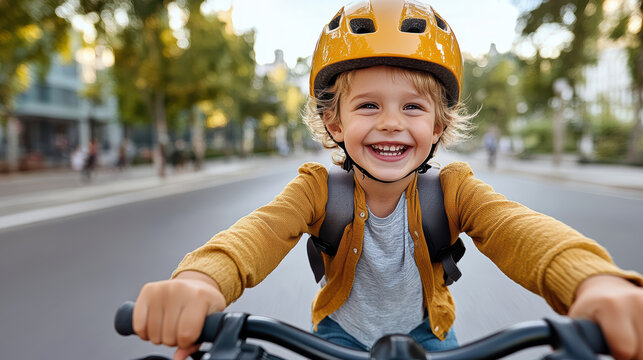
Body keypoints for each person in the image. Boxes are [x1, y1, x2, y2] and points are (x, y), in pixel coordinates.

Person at [132, 1, 643, 360]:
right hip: (336, 338)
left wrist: (592, 280)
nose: (392, 122)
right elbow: (255, 236)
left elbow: (519, 228)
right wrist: (199, 281)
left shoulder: (454, 190)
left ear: (439, 126)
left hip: (432, 336)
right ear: (335, 122)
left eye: (413, 107)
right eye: (369, 105)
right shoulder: (317, 189)